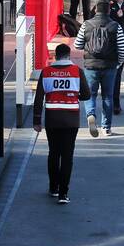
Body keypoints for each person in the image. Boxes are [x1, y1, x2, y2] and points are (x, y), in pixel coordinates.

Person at [32, 42, 89, 205]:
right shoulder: (77, 72)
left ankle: (53, 188)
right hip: (71, 120)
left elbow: (38, 98)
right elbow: (86, 95)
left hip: (52, 120)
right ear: (68, 56)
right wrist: (72, 94)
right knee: (67, 156)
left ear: (55, 56)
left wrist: (37, 120)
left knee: (53, 153)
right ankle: (64, 193)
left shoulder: (46, 72)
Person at [75, 0, 124, 138]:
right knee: (107, 97)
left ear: (96, 10)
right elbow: (123, 49)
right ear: (109, 11)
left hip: (90, 67)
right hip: (109, 67)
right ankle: (106, 128)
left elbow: (77, 44)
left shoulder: (86, 25)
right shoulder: (115, 26)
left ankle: (91, 114)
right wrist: (118, 63)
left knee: (90, 94)